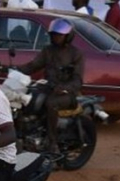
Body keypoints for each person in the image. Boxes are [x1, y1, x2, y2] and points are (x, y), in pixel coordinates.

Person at [23, 19, 85, 149]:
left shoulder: (76, 54)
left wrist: (64, 88)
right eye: (54, 34)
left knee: (51, 103)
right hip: (49, 87)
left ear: (68, 36)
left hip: (67, 93)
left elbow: (77, 80)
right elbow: (33, 66)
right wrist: (12, 69)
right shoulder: (48, 50)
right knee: (27, 97)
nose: (56, 37)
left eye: (60, 35)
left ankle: (53, 142)